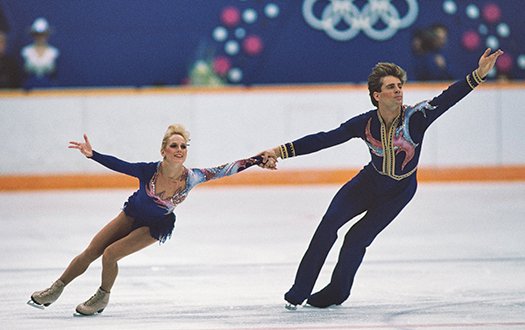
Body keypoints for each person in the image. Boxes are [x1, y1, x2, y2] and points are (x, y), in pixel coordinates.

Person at [260, 48, 503, 310]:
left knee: (356, 239)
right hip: (367, 184)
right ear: (377, 95)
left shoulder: (417, 117)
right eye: (391, 86)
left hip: (399, 192)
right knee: (328, 225)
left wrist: (478, 75)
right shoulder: (364, 123)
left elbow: (448, 98)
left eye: (399, 85)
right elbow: (324, 139)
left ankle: (337, 292)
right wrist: (278, 152)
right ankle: (298, 292)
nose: (398, 90)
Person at [28, 124, 274, 316]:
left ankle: (102, 297)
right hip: (131, 213)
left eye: (183, 146)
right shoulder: (149, 170)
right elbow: (121, 165)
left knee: (110, 254)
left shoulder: (193, 177)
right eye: (174, 146)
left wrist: (256, 160)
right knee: (92, 250)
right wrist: (93, 155)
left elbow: (226, 169)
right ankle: (55, 290)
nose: (179, 150)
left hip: (154, 226)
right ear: (163, 151)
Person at [20, 17, 59, 89]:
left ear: (47, 35)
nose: (40, 37)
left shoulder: (53, 52)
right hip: (29, 87)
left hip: (49, 87)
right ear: (33, 35)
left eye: (43, 34)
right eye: (37, 34)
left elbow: (55, 75)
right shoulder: (26, 52)